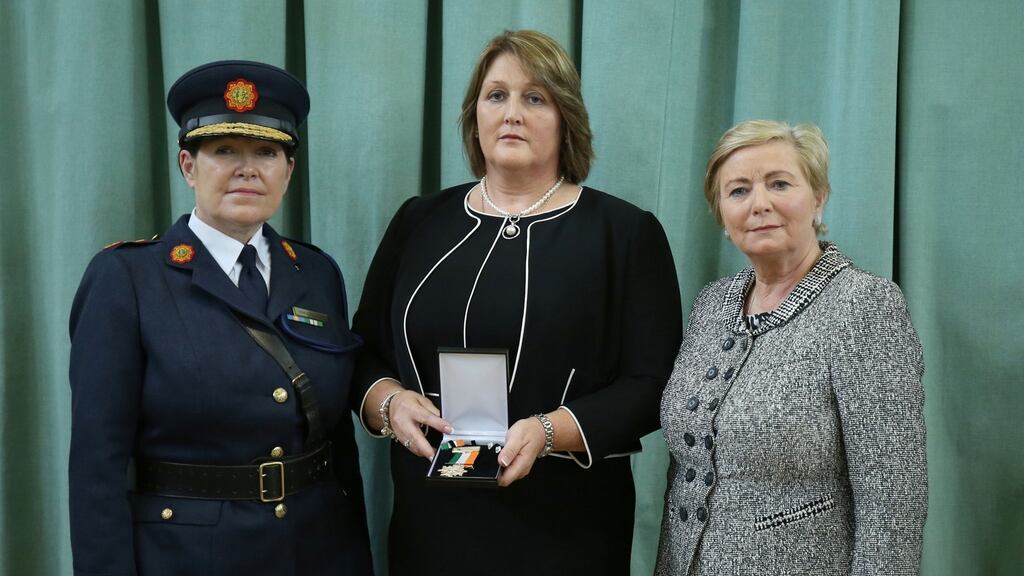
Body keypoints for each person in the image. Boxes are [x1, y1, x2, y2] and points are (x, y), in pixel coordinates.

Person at [351, 30, 682, 575]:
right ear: (474, 115)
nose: (512, 113)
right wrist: (387, 402)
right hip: (432, 520)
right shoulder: (418, 222)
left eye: (535, 97)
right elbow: (361, 350)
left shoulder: (624, 233)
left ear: (565, 117)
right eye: (496, 95)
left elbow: (653, 384)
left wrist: (550, 430)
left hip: (566, 525)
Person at [68, 60, 372, 575]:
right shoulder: (127, 278)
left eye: (267, 152)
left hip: (316, 549)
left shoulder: (317, 274)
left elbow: (338, 450)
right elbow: (97, 469)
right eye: (224, 151)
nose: (247, 169)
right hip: (187, 558)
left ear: (288, 171)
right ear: (188, 166)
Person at [656, 120, 927, 575]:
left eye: (779, 184)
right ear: (721, 215)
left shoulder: (863, 305)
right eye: (738, 191)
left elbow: (893, 498)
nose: (759, 204)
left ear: (818, 197)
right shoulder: (712, 304)